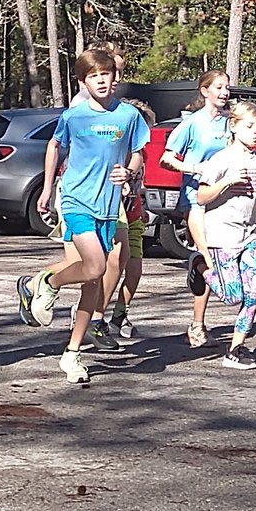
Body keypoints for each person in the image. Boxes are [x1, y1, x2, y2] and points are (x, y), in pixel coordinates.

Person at [16, 49, 150, 384]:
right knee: (96, 267)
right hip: (76, 199)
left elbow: (138, 153)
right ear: (82, 82)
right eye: (94, 76)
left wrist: (128, 173)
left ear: (114, 78)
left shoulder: (128, 117)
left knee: (92, 283)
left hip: (108, 205)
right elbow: (54, 147)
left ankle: (72, 353)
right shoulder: (74, 117)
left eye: (106, 74)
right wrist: (47, 190)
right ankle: (48, 282)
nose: (102, 81)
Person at [197, 100, 256, 369]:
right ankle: (200, 267)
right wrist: (226, 181)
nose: (255, 131)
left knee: (254, 293)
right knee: (232, 296)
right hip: (222, 234)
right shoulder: (221, 159)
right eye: (249, 126)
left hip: (248, 235)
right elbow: (201, 196)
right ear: (234, 126)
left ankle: (236, 348)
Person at [159, 70, 232, 349]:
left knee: (213, 259)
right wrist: (193, 167)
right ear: (205, 91)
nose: (224, 93)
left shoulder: (229, 124)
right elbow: (167, 159)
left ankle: (199, 320)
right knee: (210, 257)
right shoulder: (192, 124)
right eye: (218, 88)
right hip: (195, 198)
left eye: (227, 88)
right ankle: (197, 325)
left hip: (223, 198)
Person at [109, 98, 156, 339]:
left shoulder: (142, 155)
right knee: (111, 266)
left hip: (134, 213)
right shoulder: (116, 150)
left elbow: (140, 185)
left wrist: (144, 206)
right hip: (113, 215)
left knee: (135, 267)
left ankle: (119, 314)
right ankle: (91, 313)